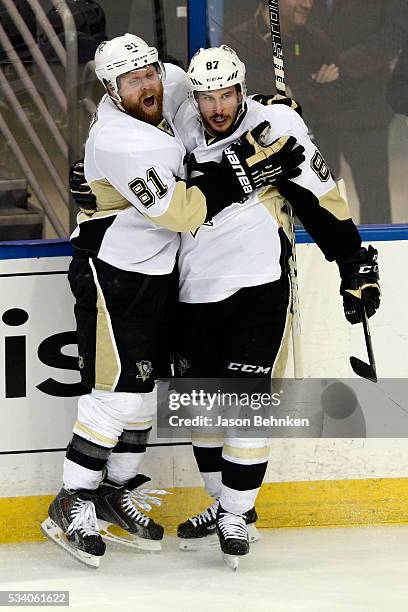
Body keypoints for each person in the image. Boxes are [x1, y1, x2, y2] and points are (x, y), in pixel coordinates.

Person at [42, 33, 305, 568]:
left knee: (141, 394)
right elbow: (184, 212)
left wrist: (273, 116)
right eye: (132, 80)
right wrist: (249, 172)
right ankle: (73, 497)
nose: (147, 85)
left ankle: (116, 491)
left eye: (150, 74)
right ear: (111, 91)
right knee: (115, 394)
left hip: (160, 274)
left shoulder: (171, 82)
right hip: (113, 272)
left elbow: (221, 94)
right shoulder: (122, 141)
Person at [171, 45, 381, 567]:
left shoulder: (277, 128)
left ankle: (238, 514)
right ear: (193, 97)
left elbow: (319, 198)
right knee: (202, 411)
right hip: (192, 290)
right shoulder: (178, 125)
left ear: (241, 89)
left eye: (226, 94)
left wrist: (353, 262)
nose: (217, 106)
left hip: (258, 286)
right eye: (206, 97)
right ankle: (223, 506)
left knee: (245, 402)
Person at [224, 0, 351, 171]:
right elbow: (255, 103)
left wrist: (294, 91)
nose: (307, 5)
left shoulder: (318, 40)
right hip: (262, 168)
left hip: (318, 165)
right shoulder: (238, 43)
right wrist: (314, 85)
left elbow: (346, 95)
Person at [309, 0, 407, 223]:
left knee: (374, 203)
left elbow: (394, 36)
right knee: (315, 200)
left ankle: (379, 257)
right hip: (316, 112)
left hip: (366, 110)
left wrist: (340, 65)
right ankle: (320, 255)